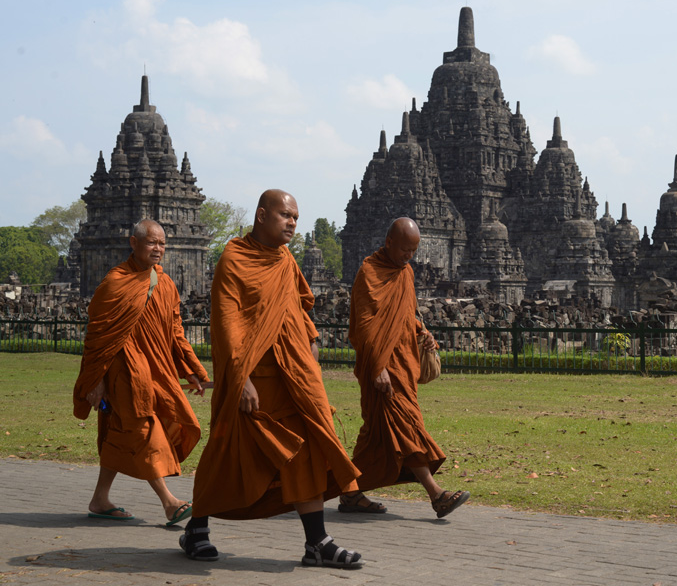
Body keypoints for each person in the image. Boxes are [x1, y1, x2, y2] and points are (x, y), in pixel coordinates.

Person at [182, 189, 364, 568]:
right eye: (285, 215)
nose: (292, 223)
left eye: (296, 217)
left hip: (293, 376)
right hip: (255, 378)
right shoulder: (234, 259)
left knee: (308, 448)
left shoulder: (284, 260)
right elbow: (228, 324)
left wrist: (311, 337)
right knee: (229, 453)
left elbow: (298, 304)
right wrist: (241, 376)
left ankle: (317, 542)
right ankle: (196, 527)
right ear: (262, 215)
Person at [73, 219, 209, 526]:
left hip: (156, 370)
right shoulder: (115, 282)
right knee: (141, 428)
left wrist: (193, 370)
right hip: (125, 371)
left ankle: (100, 499)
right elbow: (97, 337)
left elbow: (176, 332)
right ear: (133, 243)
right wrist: (94, 381)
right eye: (152, 243)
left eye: (162, 243)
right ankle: (170, 502)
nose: (158, 249)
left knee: (122, 432)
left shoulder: (165, 283)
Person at [342, 217, 469, 518]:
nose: (408, 257)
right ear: (388, 243)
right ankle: (436, 495)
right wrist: (376, 367)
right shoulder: (369, 273)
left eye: (413, 251)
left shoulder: (406, 273)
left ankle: (349, 492)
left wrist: (422, 333)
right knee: (406, 425)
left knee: (376, 433)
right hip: (382, 368)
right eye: (404, 250)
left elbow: (404, 316)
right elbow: (365, 326)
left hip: (403, 363)